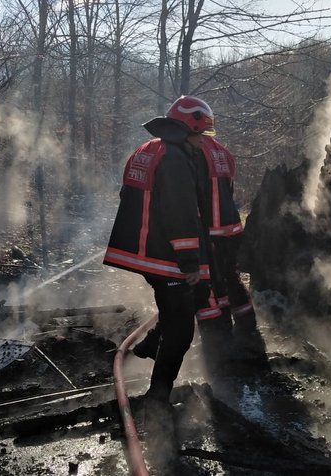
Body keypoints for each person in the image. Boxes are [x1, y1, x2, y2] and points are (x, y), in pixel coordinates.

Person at [131, 96, 266, 369]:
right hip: (229, 233)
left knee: (206, 294)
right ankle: (249, 338)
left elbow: (188, 203)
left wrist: (188, 248)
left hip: (205, 235)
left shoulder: (186, 154)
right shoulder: (222, 152)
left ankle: (218, 352)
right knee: (232, 285)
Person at [103, 95, 215, 406]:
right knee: (180, 333)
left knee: (187, 304)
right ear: (184, 129)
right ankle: (158, 397)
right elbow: (179, 213)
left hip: (148, 253)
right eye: (199, 135)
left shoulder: (148, 149)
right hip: (167, 258)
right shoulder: (176, 159)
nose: (202, 142)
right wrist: (190, 263)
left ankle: (147, 347)